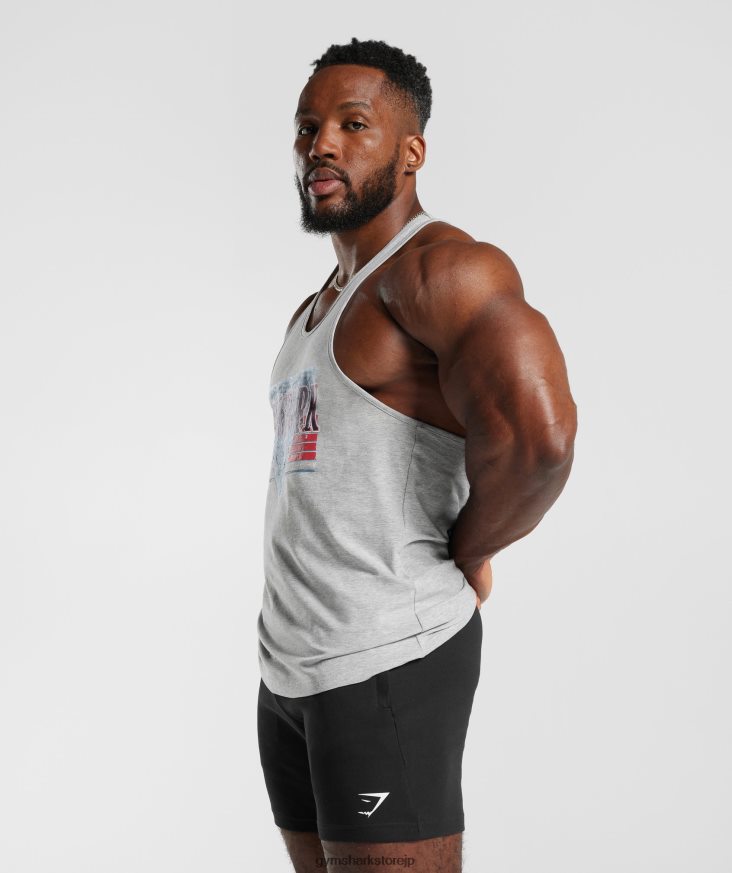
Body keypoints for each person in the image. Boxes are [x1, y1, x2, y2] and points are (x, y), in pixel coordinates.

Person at [256, 37, 577, 873]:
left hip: (388, 659)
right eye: (308, 127)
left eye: (352, 124)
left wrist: (468, 551)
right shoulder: (314, 308)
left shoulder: (446, 271)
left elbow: (541, 441)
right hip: (290, 668)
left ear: (411, 153)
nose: (321, 145)